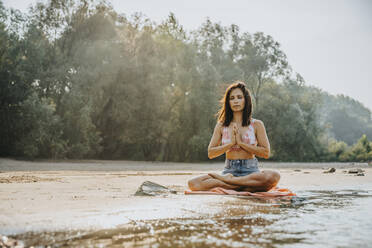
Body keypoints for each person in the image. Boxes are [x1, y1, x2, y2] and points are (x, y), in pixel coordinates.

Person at [188, 81, 280, 192]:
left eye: (239, 97)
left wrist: (241, 143)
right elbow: (211, 153)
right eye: (232, 98)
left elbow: (265, 153)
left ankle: (229, 183)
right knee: (193, 183)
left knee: (273, 176)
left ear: (246, 100)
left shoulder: (257, 124)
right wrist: (230, 144)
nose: (235, 101)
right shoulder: (221, 126)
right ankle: (243, 185)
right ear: (228, 102)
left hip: (250, 171)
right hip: (229, 171)